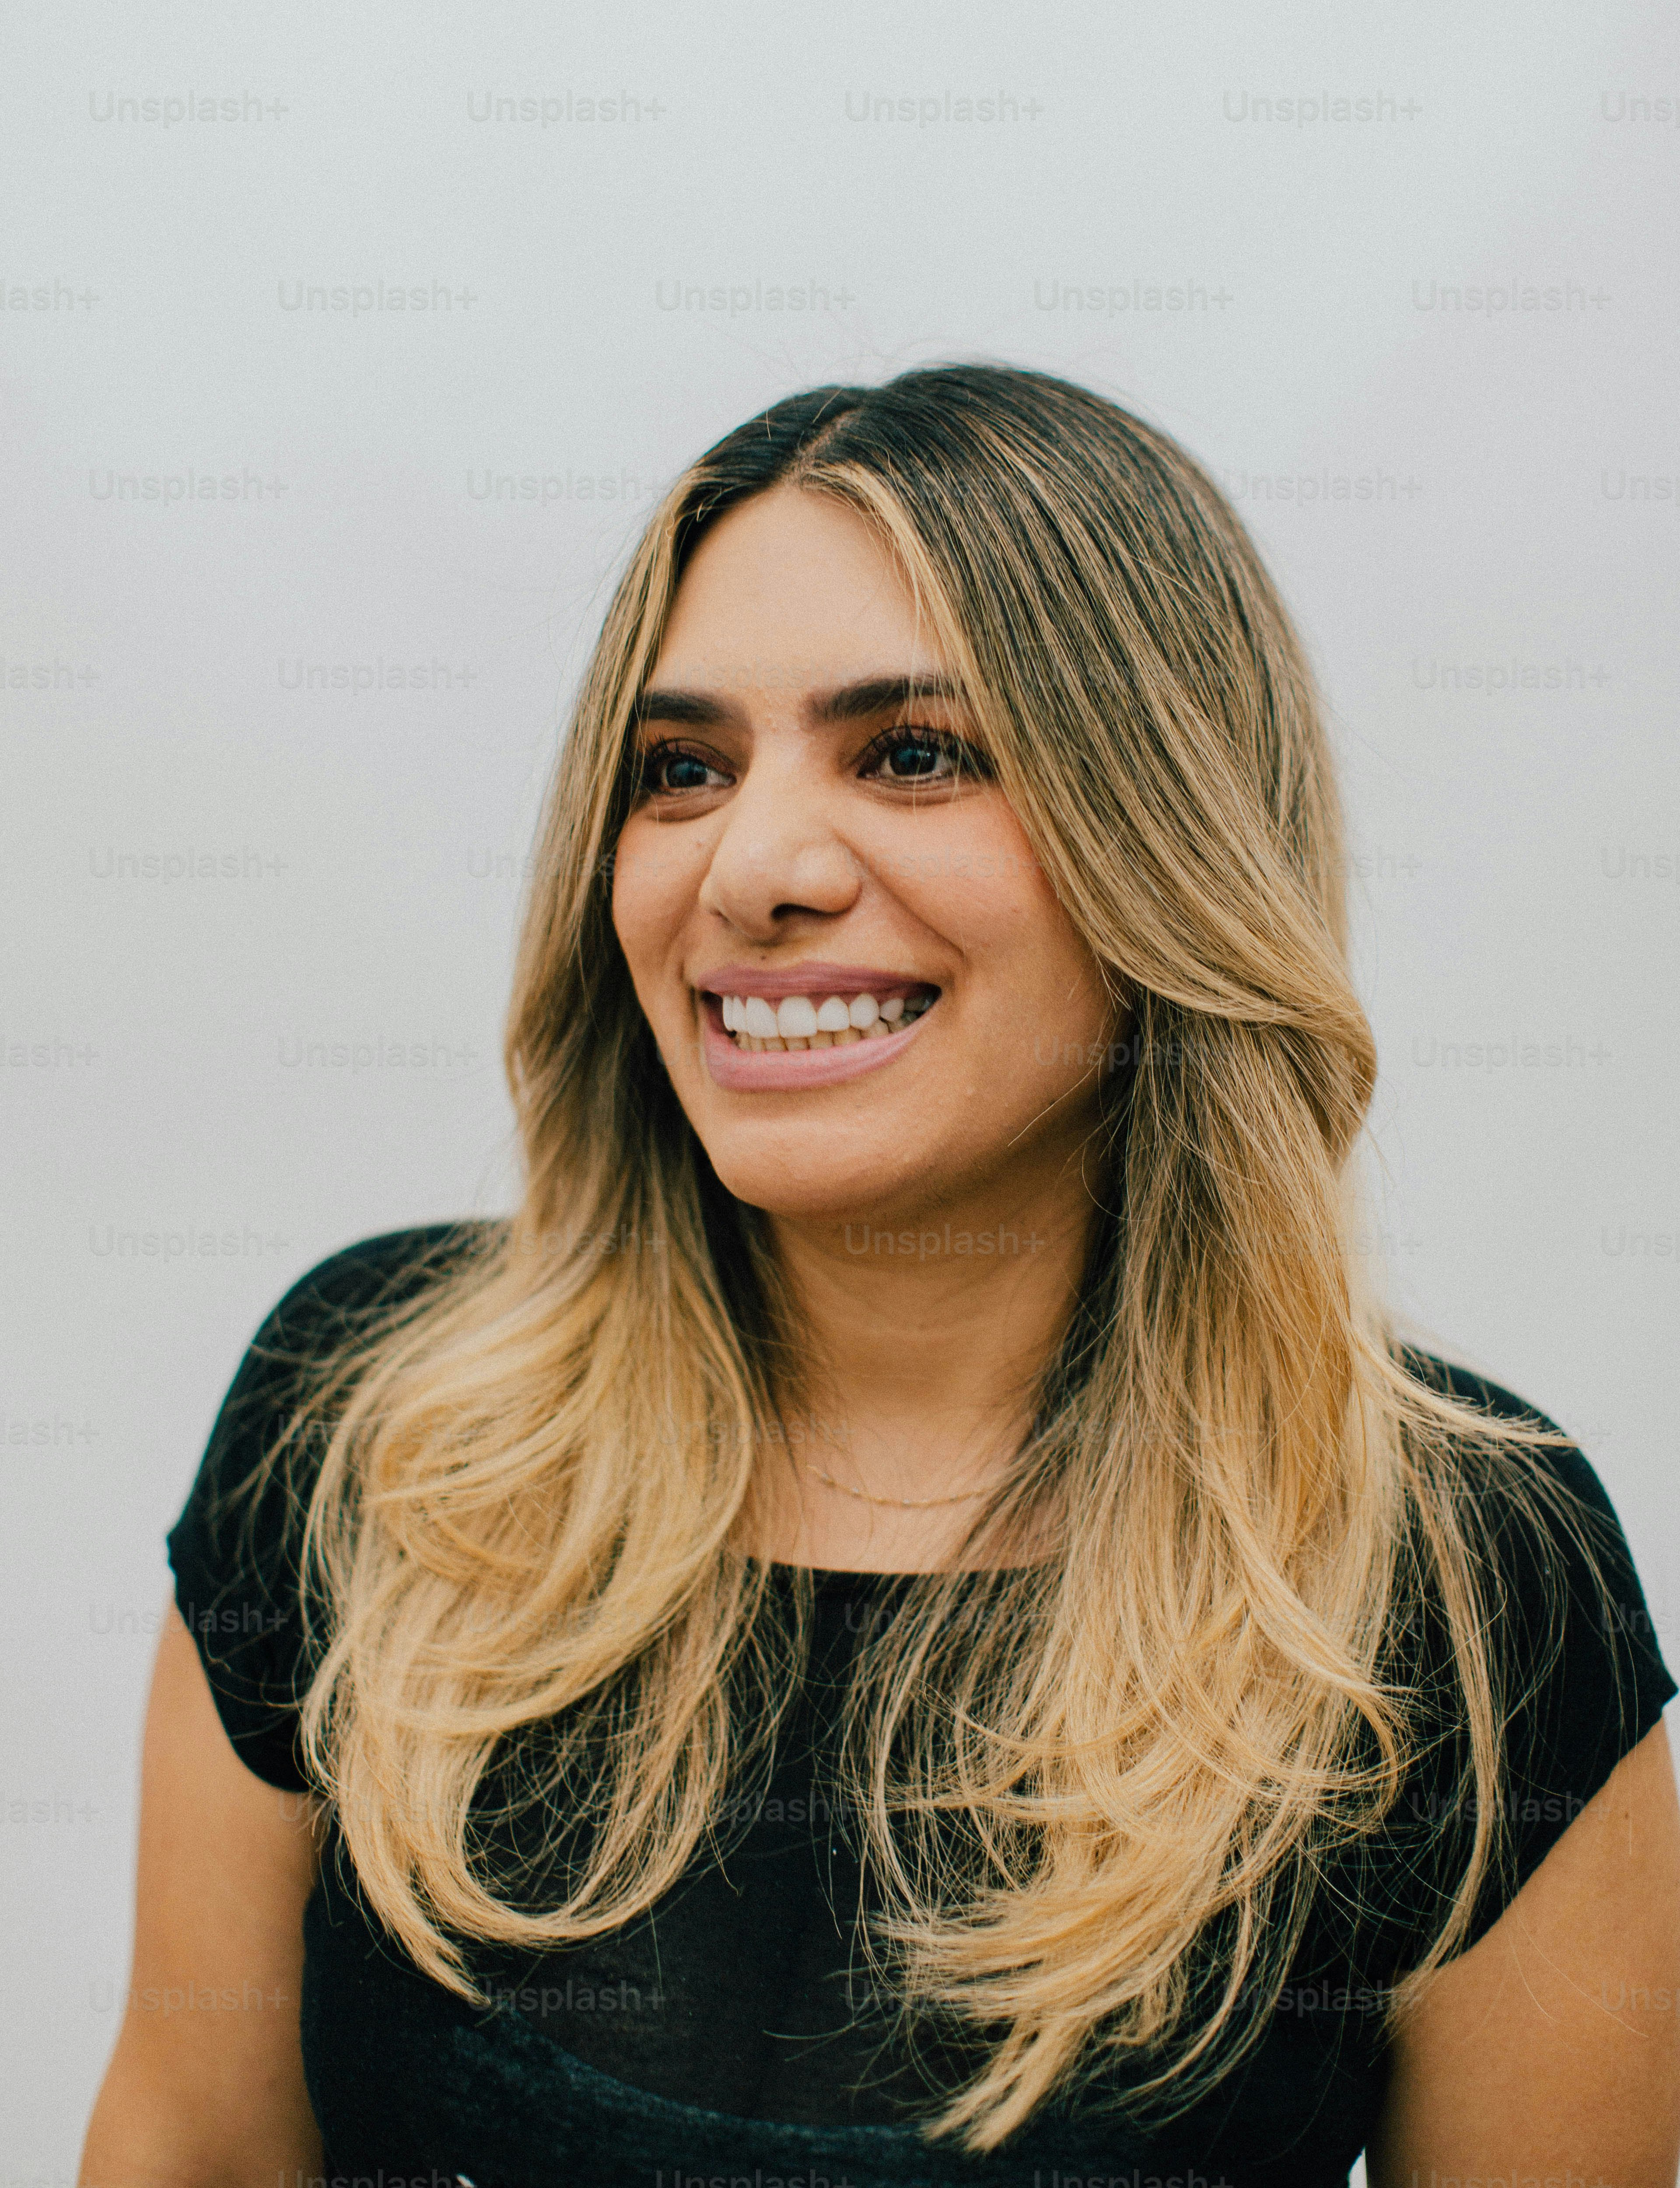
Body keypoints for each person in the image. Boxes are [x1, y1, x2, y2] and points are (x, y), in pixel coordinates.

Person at [80, 367, 1679, 2188]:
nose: (751, 867)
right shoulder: (370, 1420)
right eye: (681, 770)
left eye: (912, 752)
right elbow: (190, 2146)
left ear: (1168, 839)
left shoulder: (1465, 1577)